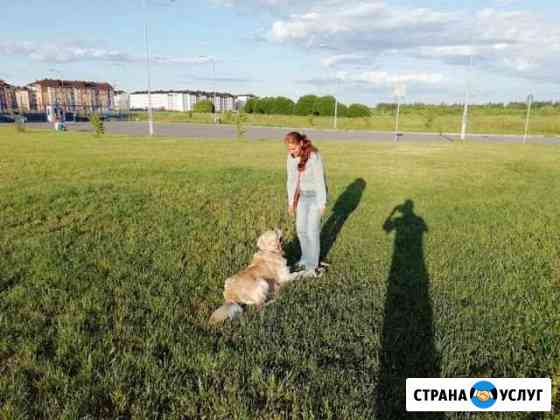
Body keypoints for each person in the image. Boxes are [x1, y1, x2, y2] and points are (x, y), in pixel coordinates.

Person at [284, 131, 327, 276]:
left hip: (315, 196)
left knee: (312, 232)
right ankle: (305, 258)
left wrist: (322, 203)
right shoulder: (290, 158)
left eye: (293, 148)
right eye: (289, 149)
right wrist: (291, 203)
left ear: (301, 144)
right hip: (302, 196)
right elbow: (291, 181)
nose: (291, 152)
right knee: (301, 230)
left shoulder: (314, 156)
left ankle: (312, 266)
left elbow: (320, 180)